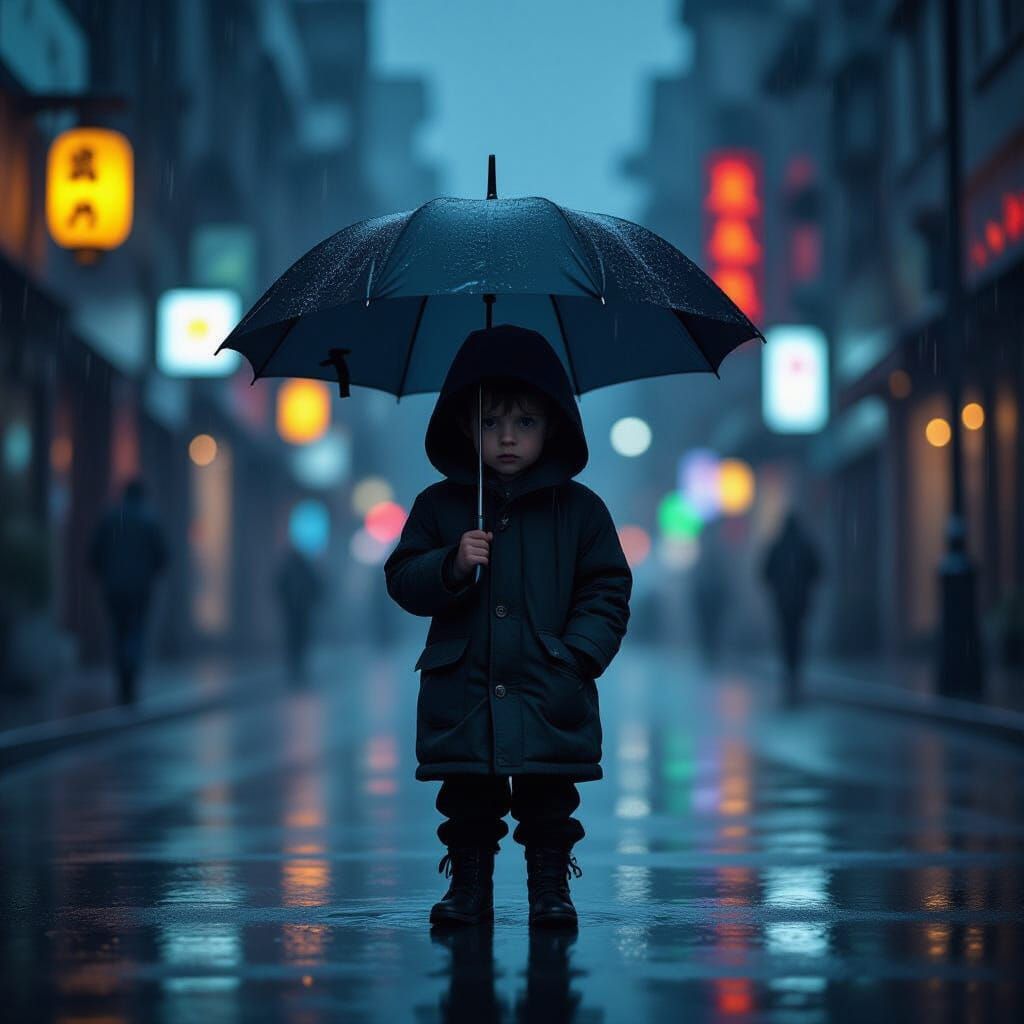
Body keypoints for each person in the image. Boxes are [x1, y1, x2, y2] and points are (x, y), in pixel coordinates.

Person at [384, 324, 632, 930]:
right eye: (491, 423)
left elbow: (607, 588)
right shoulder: (441, 506)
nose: (507, 438)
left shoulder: (580, 510)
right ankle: (468, 884)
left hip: (548, 681)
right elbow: (402, 578)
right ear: (466, 429)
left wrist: (577, 655)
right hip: (465, 684)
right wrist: (450, 563)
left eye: (524, 423)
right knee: (468, 799)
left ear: (552, 427)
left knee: (549, 800)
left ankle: (551, 887)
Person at [89, 478, 169, 704]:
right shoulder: (149, 520)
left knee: (118, 631)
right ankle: (130, 674)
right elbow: (163, 557)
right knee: (136, 631)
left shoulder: (110, 518)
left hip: (113, 587)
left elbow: (94, 553)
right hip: (140, 589)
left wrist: (105, 575)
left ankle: (123, 678)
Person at [761, 511, 822, 706]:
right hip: (800, 602)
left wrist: (777, 587)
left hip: (783, 603)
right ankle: (795, 672)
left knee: (787, 636)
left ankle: (790, 672)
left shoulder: (778, 546)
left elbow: (764, 573)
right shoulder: (804, 545)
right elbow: (819, 570)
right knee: (798, 635)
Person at [273, 543, 324, 684]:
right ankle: (295, 666)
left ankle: (297, 666)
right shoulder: (300, 569)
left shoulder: (301, 570)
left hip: (300, 611)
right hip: (296, 611)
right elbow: (280, 586)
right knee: (297, 639)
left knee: (298, 639)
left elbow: (316, 587)